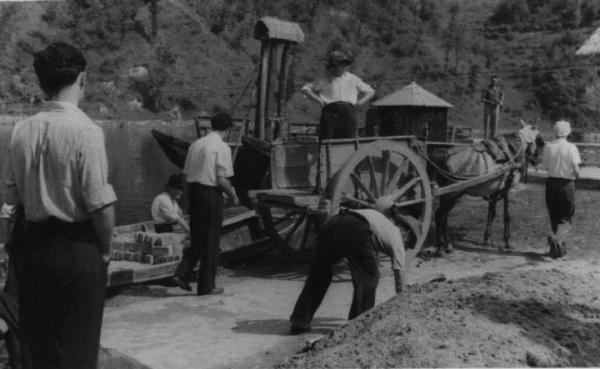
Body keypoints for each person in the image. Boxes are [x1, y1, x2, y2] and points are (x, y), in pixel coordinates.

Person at [1, 42, 117, 369]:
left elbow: (11, 199)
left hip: (33, 246)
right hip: (77, 249)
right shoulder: (86, 131)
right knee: (77, 347)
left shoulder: (21, 130)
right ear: (82, 78)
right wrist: (105, 251)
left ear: (42, 82)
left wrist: (15, 245)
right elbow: (100, 205)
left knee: (40, 345)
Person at [289, 197, 406, 335]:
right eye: (409, 241)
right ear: (406, 231)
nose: (407, 244)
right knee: (369, 277)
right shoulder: (395, 234)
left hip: (333, 222)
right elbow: (400, 276)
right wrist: (404, 304)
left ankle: (299, 322)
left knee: (320, 273)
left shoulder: (375, 217)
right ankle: (357, 327)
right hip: (354, 228)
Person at [173, 112, 238, 295]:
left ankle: (183, 272)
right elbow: (222, 179)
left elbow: (185, 176)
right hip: (210, 194)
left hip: (194, 192)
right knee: (210, 241)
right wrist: (233, 194)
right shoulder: (222, 147)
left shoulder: (196, 144)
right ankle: (206, 285)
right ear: (228, 129)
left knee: (198, 237)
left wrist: (187, 198)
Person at [301, 49, 375, 140]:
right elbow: (305, 89)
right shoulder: (324, 79)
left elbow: (370, 91)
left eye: (342, 66)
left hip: (348, 112)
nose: (339, 68)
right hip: (330, 112)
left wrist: (360, 103)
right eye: (335, 66)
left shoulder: (352, 79)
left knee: (348, 140)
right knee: (327, 139)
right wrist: (319, 100)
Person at [542, 120, 581, 259]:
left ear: (554, 132)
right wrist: (578, 175)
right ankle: (557, 240)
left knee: (554, 215)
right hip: (566, 184)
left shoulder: (548, 147)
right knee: (566, 217)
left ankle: (558, 250)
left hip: (551, 184)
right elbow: (576, 169)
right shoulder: (572, 148)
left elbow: (546, 166)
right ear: (568, 132)